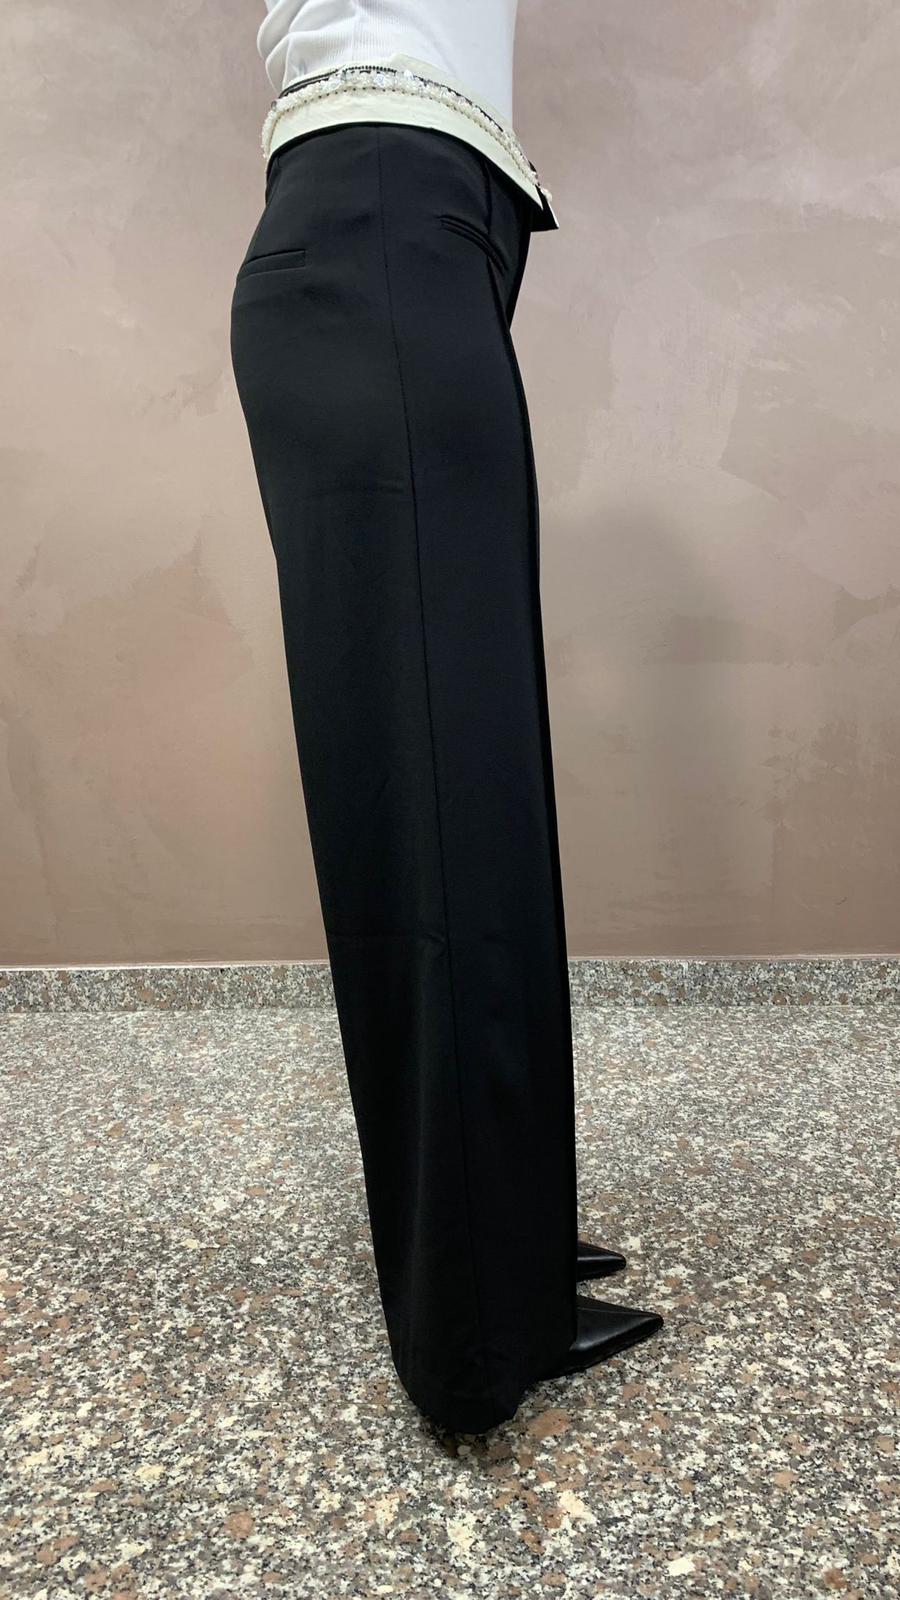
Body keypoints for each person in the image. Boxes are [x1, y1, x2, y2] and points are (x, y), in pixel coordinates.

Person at [229, 0, 663, 1435]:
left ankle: (508, 1234)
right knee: (437, 795)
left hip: (416, 237)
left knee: (477, 774)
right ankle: (476, 1332)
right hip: (385, 222)